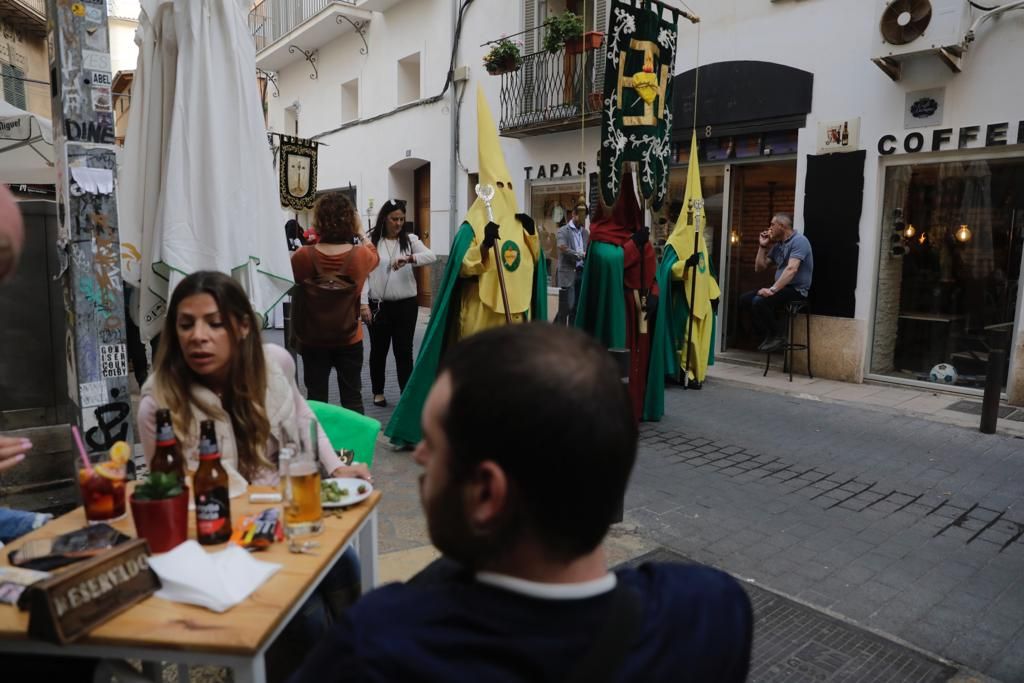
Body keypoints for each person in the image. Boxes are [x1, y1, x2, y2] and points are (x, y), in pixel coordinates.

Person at [290, 324, 752, 682]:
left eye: (432, 443)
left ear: (488, 494)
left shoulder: (381, 646)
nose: (422, 457)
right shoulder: (710, 614)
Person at [383, 87, 547, 447]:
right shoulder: (472, 226)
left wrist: (534, 237)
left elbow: (535, 266)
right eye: (497, 184)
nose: (503, 189)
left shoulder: (521, 223)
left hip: (514, 313)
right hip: (478, 315)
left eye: (507, 184)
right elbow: (461, 267)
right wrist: (484, 246)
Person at [574, 171, 665, 422]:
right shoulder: (601, 234)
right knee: (624, 357)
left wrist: (654, 292)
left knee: (640, 359)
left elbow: (651, 271)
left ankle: (639, 404)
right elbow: (610, 263)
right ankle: (622, 407)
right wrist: (633, 246)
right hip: (620, 307)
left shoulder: (636, 230)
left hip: (643, 307)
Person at [290, 193, 379, 413]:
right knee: (352, 399)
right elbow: (375, 255)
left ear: (318, 220)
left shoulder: (303, 256)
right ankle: (351, 448)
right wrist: (359, 232)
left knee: (317, 399)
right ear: (350, 220)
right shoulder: (360, 256)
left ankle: (320, 446)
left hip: (313, 339)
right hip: (349, 337)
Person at [366, 198, 437, 408]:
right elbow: (363, 274)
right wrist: (362, 304)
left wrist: (410, 259)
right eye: (394, 219)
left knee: (404, 351)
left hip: (406, 305)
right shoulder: (372, 241)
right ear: (384, 219)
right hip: (378, 304)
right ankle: (377, 392)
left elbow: (431, 256)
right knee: (378, 350)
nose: (398, 223)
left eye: (401, 219)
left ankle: (406, 394)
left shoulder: (410, 240)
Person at [738, 213, 813, 353]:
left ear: (782, 226)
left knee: (759, 301)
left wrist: (772, 290)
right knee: (745, 300)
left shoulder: (799, 241)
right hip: (781, 289)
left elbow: (792, 269)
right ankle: (769, 334)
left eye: (772, 224)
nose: (769, 228)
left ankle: (778, 335)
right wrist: (762, 246)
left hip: (796, 291)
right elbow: (759, 268)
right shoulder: (778, 246)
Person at [554, 200, 588, 325]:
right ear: (573, 214)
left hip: (581, 273)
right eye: (580, 215)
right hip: (568, 273)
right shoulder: (563, 230)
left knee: (576, 308)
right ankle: (556, 332)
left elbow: (587, 249)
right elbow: (562, 247)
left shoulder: (585, 233)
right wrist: (578, 255)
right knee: (567, 306)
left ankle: (572, 334)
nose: (582, 219)